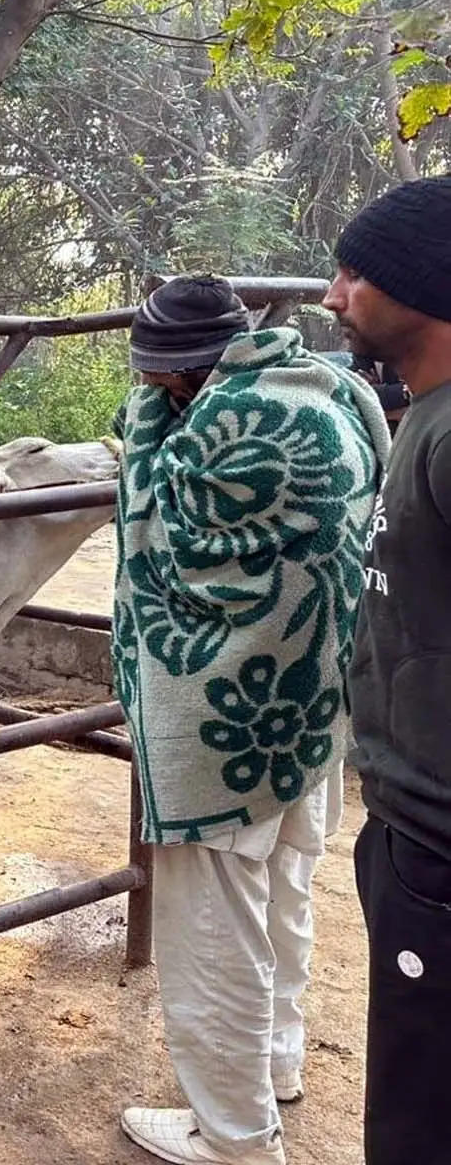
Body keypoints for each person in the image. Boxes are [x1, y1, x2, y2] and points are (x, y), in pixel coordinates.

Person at [111, 276, 388, 1165]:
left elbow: (165, 538)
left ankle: (234, 1136)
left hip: (225, 729)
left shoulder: (209, 443)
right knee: (287, 896)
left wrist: (150, 423)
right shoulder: (333, 401)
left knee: (212, 927)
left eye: (155, 380)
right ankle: (275, 1067)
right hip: (313, 712)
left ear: (176, 376)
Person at [325, 176, 451, 1164]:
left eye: (354, 272)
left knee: (418, 1126)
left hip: (442, 856)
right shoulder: (424, 417)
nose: (333, 296)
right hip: (411, 835)